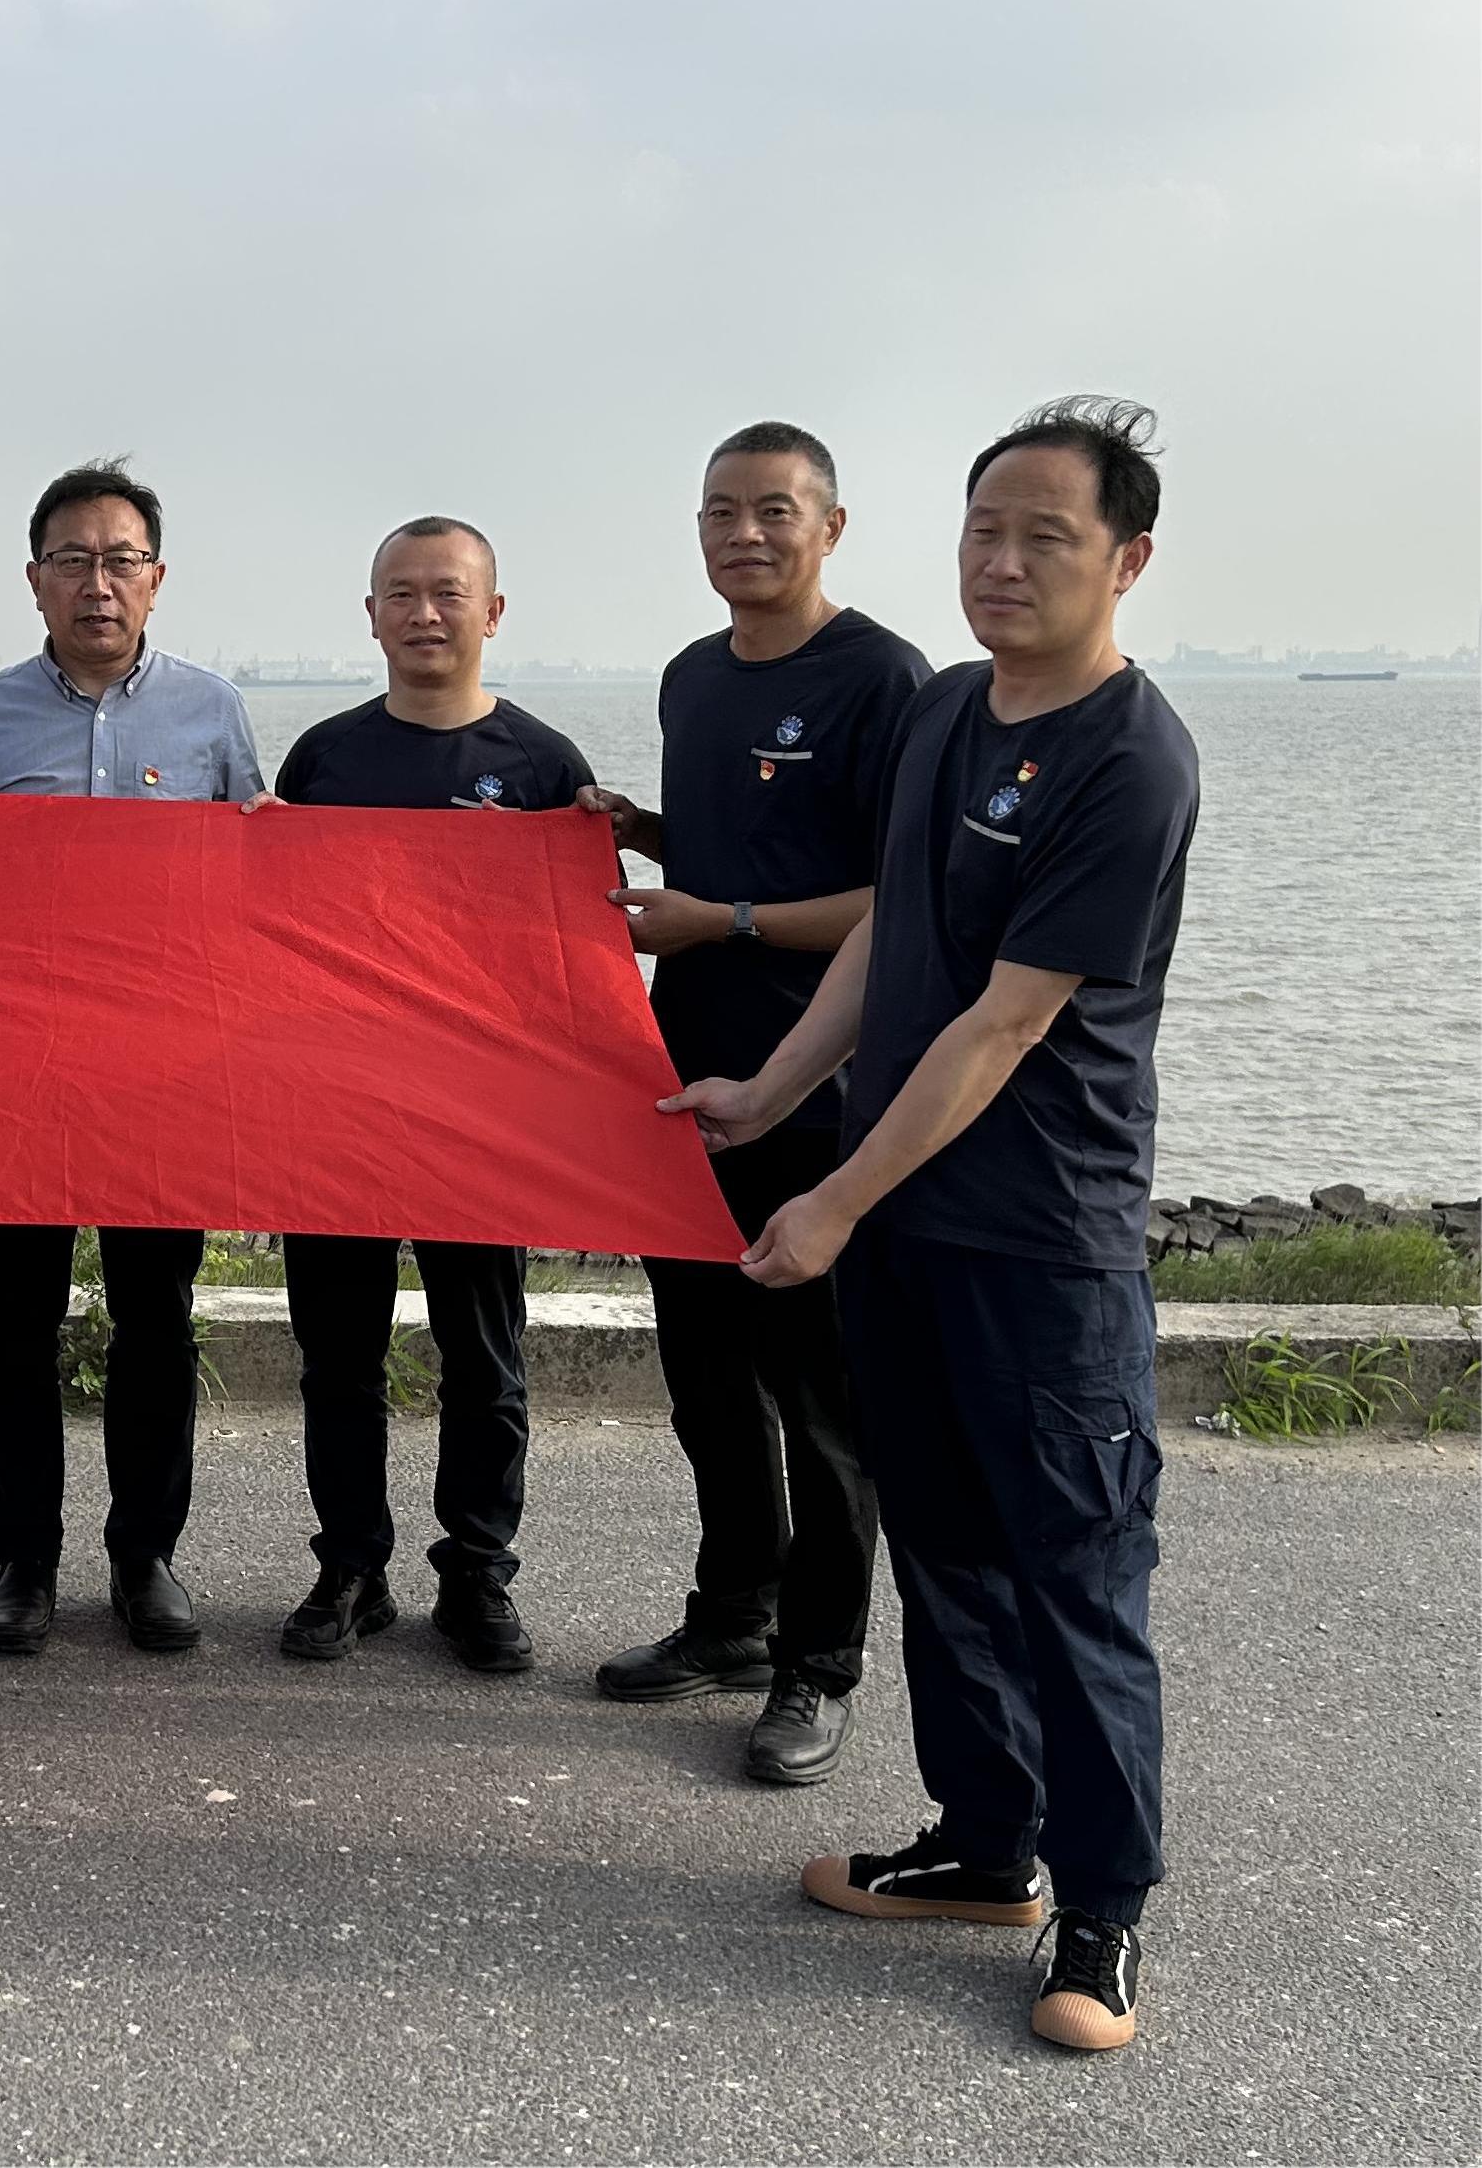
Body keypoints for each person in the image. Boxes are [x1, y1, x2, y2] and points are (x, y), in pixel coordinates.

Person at [665, 400, 1193, 2053]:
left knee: (1074, 1575)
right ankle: (982, 1843)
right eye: (985, 529)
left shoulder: (1131, 756)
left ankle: (1100, 1908)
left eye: (1047, 535)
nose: (1005, 561)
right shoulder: (954, 708)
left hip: (1041, 1241)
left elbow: (1003, 1021)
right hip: (904, 1224)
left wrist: (831, 1195)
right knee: (950, 1551)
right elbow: (896, 933)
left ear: (1127, 558)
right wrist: (770, 1090)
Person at [580, 424, 930, 1786]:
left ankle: (817, 1662)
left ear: (829, 528)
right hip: (684, 1080)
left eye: (773, 511)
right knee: (708, 1378)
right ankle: (733, 1614)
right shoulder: (693, 675)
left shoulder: (883, 678)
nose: (744, 533)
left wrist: (716, 916)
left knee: (820, 1397)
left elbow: (901, 897)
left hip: (821, 1087)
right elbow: (749, 850)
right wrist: (640, 833)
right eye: (719, 511)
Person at [243, 517, 596, 1673]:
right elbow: (272, 932)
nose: (424, 612)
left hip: (478, 1110)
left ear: (491, 612)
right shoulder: (323, 759)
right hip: (338, 1101)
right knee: (336, 1356)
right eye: (400, 592)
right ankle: (351, 1564)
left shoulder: (543, 766)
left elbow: (574, 959)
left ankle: (477, 1571)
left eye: (447, 592)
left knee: (482, 1355)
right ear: (370, 614)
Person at [0, 459, 265, 1655]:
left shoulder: (213, 713)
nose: (96, 583)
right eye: (71, 560)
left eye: (119, 560)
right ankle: (22, 1558)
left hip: (162, 1068)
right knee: (14, 1316)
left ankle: (144, 1555)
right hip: (18, 1069)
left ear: (155, 578)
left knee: (155, 1314)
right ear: (35, 580)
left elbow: (255, 884)